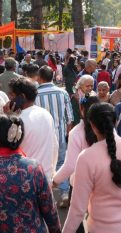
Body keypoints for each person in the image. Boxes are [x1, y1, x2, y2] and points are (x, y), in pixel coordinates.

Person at [61, 103, 121, 233]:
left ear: (92, 125)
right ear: (115, 121)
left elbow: (78, 208)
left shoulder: (86, 157)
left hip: (100, 232)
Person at [53, 95, 99, 233]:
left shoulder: (76, 132)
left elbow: (70, 166)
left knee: (76, 219)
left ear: (81, 109)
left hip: (79, 183)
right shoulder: (108, 130)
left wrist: (54, 181)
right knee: (98, 219)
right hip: (102, 182)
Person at [6, 77, 58, 181]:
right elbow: (55, 145)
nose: (9, 98)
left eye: (12, 95)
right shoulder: (45, 113)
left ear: (22, 97)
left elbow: (9, 150)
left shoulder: (18, 121)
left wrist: (8, 117)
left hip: (25, 178)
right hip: (45, 175)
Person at [35, 66, 73, 207]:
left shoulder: (35, 94)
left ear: (40, 77)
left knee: (42, 164)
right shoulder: (62, 93)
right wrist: (66, 134)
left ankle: (45, 196)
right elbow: (70, 118)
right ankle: (64, 193)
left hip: (41, 136)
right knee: (61, 163)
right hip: (60, 134)